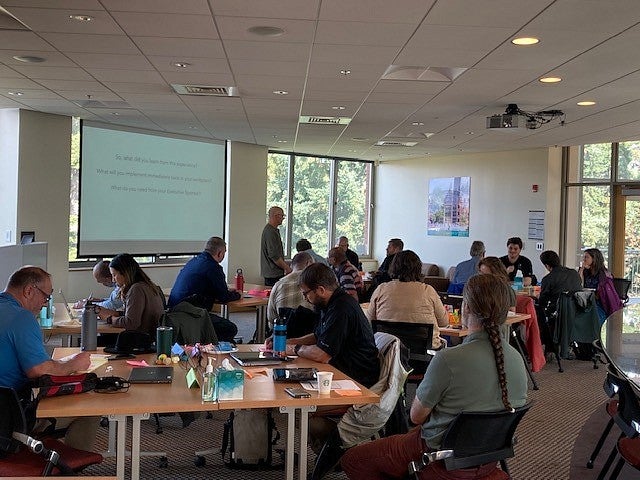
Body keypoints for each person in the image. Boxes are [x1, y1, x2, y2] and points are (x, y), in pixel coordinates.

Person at [340, 274, 528, 479]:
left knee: (353, 459)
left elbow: (416, 417)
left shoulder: (448, 360)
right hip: (486, 459)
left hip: (437, 456)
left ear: (466, 307)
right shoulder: (517, 360)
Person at [266, 263, 380, 451]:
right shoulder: (330, 303)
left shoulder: (342, 308)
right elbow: (319, 336)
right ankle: (327, 451)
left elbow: (322, 354)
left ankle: (339, 446)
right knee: (288, 390)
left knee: (296, 409)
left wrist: (293, 349)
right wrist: (288, 340)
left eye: (306, 293)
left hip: (354, 380)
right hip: (339, 371)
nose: (305, 298)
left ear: (320, 289)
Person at [0, 266, 98, 450]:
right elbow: (39, 370)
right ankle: (66, 471)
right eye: (46, 297)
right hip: (9, 419)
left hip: (5, 411)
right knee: (89, 408)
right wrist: (74, 363)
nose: (45, 304)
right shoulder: (22, 318)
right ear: (29, 290)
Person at [366, 250, 448, 350]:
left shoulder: (381, 289)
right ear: (418, 269)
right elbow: (444, 322)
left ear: (393, 267)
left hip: (389, 352)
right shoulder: (427, 290)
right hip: (424, 354)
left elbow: (369, 322)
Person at [168, 237, 241, 342]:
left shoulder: (193, 261)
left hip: (174, 312)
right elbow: (224, 297)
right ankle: (213, 349)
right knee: (230, 329)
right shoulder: (213, 268)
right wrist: (238, 294)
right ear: (220, 253)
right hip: (191, 314)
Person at [96, 253, 164, 337]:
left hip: (141, 341)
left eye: (114, 275)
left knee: (98, 339)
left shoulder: (136, 289)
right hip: (146, 337)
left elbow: (131, 323)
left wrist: (109, 319)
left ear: (125, 273)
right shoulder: (145, 285)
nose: (113, 280)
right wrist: (114, 313)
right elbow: (134, 314)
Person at [537, 250, 583, 351]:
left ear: (547, 266)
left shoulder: (548, 279)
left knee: (538, 311)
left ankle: (546, 345)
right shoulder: (574, 274)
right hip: (576, 310)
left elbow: (542, 301)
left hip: (558, 312)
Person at [267, 251, 314, 328]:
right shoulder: (316, 282)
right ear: (309, 263)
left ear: (292, 266)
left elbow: (271, 319)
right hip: (312, 335)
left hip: (283, 334)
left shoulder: (278, 285)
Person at [579, 248, 623, 322]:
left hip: (600, 303)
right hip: (587, 300)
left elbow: (605, 293)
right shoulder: (586, 272)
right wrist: (582, 269)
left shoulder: (603, 274)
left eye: (587, 257)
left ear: (594, 258)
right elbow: (579, 283)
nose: (584, 259)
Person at [260, 206, 292, 286]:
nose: (283, 218)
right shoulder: (270, 232)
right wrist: (287, 268)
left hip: (273, 272)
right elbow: (273, 255)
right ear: (276, 216)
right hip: (273, 274)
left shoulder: (272, 230)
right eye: (282, 216)